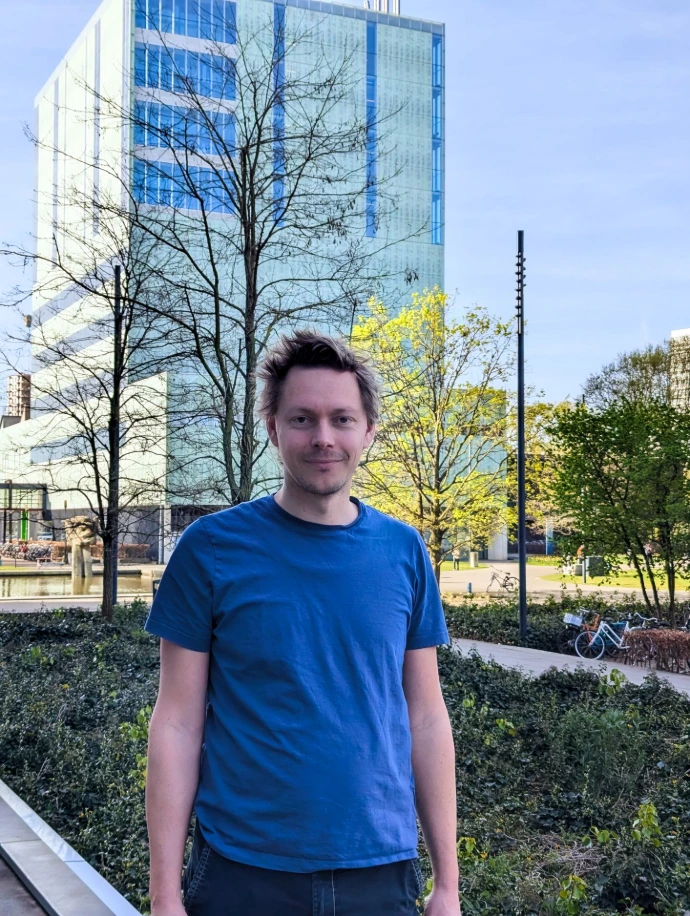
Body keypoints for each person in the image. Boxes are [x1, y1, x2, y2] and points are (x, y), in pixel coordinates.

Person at [144, 331, 461, 916]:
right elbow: (177, 723)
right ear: (273, 428)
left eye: (342, 419)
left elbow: (425, 717)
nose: (323, 437)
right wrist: (164, 896)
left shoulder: (404, 551)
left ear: (368, 431)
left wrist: (449, 884)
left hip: (379, 870)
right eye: (302, 419)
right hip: (242, 872)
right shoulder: (209, 549)